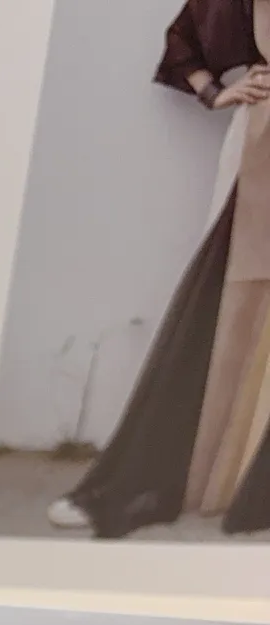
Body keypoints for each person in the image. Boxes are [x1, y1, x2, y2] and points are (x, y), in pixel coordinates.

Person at [49, 0, 270, 537]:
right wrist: (214, 92)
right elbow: (185, 40)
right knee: (230, 308)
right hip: (263, 154)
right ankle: (203, 475)